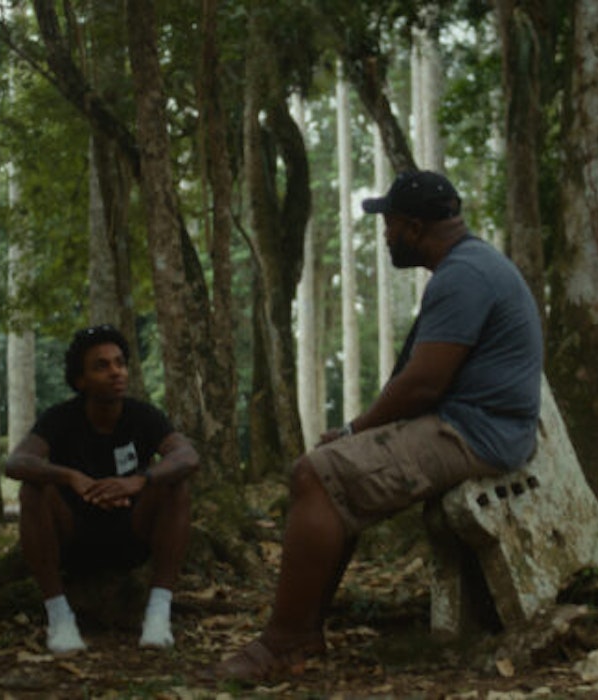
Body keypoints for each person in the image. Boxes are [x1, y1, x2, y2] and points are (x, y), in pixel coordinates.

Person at [212, 170, 544, 680]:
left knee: (316, 475)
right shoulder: (469, 266)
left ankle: (283, 642)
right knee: (326, 474)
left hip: (475, 433)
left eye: (388, 225)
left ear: (413, 227)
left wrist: (354, 431)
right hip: (479, 425)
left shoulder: (464, 276)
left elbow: (423, 385)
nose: (385, 236)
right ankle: (303, 630)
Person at [4, 324, 199, 654]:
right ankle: (60, 618)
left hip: (131, 533)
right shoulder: (60, 418)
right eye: (102, 365)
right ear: (80, 381)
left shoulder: (143, 416)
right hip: (74, 539)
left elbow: (187, 455)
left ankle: (157, 615)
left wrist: (140, 480)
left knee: (175, 487)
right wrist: (70, 477)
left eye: (120, 363)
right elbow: (16, 462)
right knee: (32, 491)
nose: (115, 372)